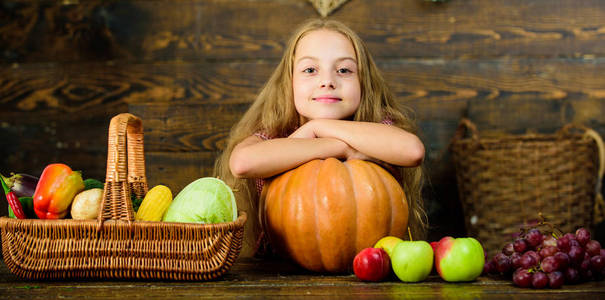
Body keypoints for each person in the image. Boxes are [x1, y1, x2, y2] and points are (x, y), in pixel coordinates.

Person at [214, 18, 427, 257]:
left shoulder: (377, 127)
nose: (327, 82)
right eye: (310, 70)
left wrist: (319, 126)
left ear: (363, 82)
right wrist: (339, 147)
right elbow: (242, 163)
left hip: (371, 263)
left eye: (344, 70)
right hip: (279, 270)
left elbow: (412, 151)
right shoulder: (276, 133)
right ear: (290, 82)